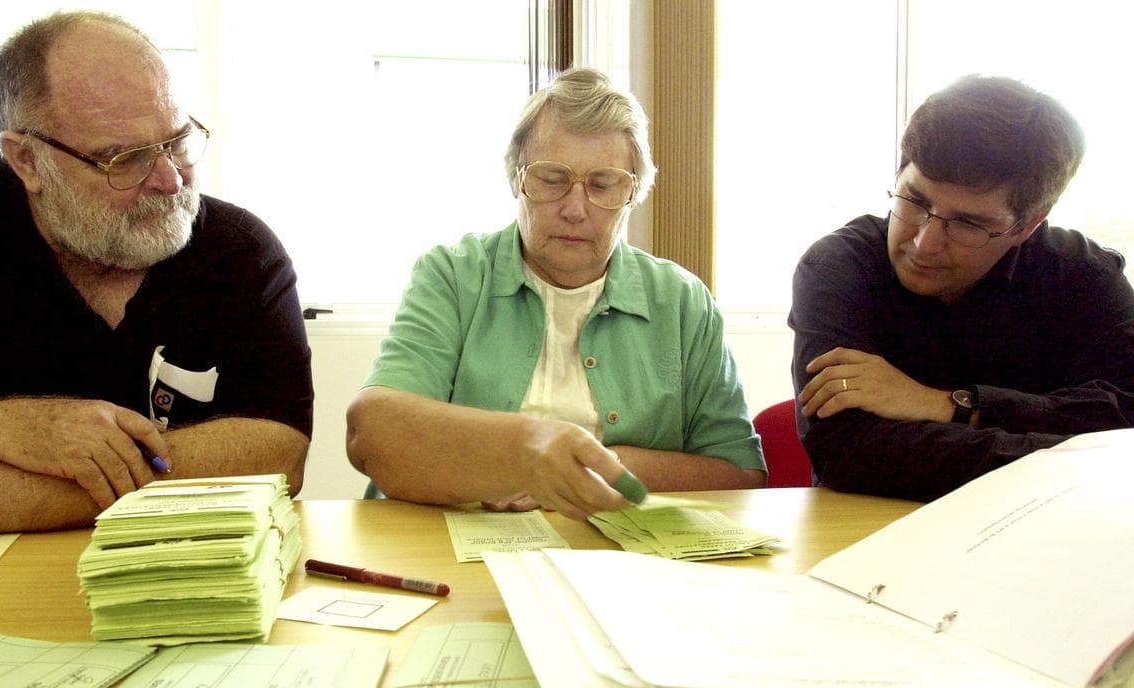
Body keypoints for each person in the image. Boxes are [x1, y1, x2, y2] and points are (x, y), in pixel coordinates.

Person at [0, 11, 313, 533]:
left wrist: (39, 495)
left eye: (177, 141)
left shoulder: (238, 249)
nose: (169, 179)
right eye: (123, 158)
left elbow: (276, 452)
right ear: (26, 160)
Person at [345, 67, 765, 521]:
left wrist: (604, 468)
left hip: (620, 557)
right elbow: (373, 432)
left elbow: (740, 474)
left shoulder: (681, 300)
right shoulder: (454, 274)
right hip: (455, 545)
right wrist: (524, 453)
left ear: (633, 193)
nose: (574, 209)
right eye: (551, 179)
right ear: (516, 181)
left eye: (604, 185)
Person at [790, 74, 1134, 502]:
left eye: (969, 223)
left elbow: (1126, 423)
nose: (924, 242)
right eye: (915, 201)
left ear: (1027, 225)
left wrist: (957, 406)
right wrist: (1068, 452)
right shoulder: (838, 268)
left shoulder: (1082, 275)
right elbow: (847, 452)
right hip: (868, 536)